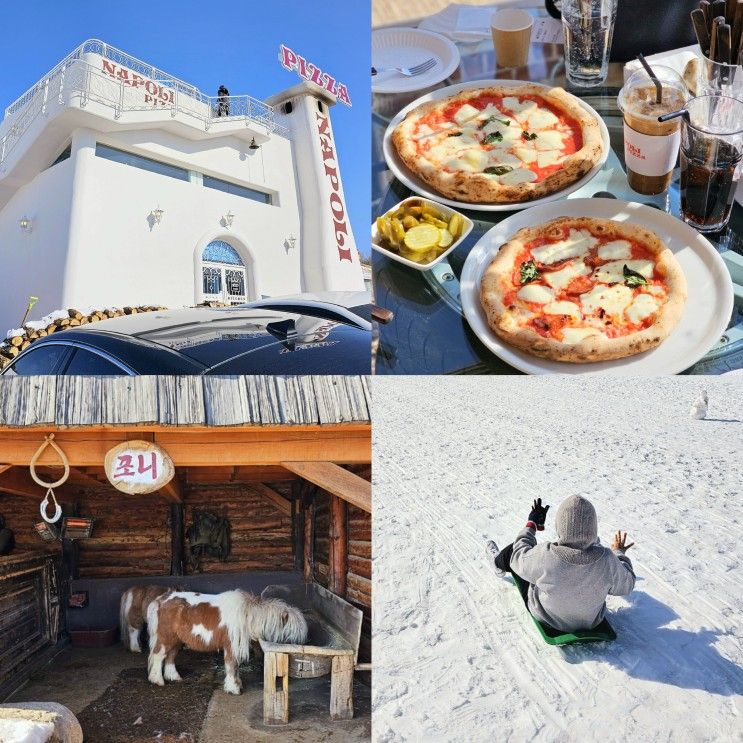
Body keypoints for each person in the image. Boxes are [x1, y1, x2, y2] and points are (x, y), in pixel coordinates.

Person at [486, 495, 635, 632]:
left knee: (516, 553)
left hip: (548, 617)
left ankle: (496, 562)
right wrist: (619, 554)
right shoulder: (606, 559)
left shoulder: (546, 555)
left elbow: (518, 556)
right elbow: (627, 585)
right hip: (590, 622)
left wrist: (531, 524)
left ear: (560, 525)